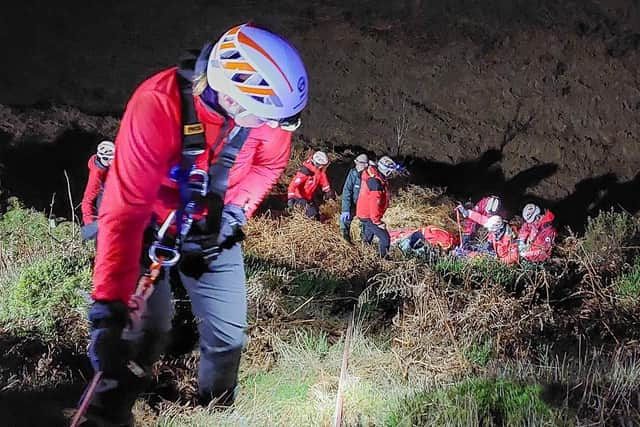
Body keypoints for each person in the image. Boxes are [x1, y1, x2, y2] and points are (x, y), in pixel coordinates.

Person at [81, 23, 308, 426]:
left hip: (213, 232)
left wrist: (236, 211)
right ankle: (108, 414)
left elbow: (268, 165)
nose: (275, 128)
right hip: (151, 227)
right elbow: (125, 209)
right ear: (234, 99)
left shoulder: (268, 118)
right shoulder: (158, 105)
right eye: (268, 118)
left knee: (228, 337)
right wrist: (108, 308)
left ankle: (217, 412)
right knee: (135, 338)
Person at [356, 156, 398, 257]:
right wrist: (377, 222)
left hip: (364, 213)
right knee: (385, 239)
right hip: (368, 215)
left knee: (367, 236)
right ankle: (383, 260)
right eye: (390, 171)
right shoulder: (376, 183)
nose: (392, 174)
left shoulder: (376, 177)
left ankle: (362, 255)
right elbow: (374, 204)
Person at [80, 140, 114, 240]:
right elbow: (87, 201)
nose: (112, 162)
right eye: (109, 159)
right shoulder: (97, 173)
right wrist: (90, 226)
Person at [287, 150, 333, 218]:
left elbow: (323, 178)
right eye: (323, 165)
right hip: (299, 197)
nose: (324, 167)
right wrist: (290, 199)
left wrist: (327, 190)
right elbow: (293, 185)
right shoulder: (305, 172)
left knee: (317, 214)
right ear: (319, 165)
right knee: (311, 214)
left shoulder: (318, 171)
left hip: (309, 196)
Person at [339, 153, 368, 242]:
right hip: (354, 202)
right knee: (345, 219)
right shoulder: (353, 173)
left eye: (360, 163)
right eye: (356, 162)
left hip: (365, 204)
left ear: (366, 165)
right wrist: (345, 209)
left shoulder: (370, 175)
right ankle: (345, 235)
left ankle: (365, 239)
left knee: (366, 222)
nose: (357, 165)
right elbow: (347, 191)